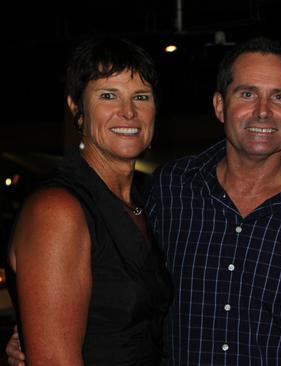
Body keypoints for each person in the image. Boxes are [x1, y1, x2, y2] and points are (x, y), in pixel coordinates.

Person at [6, 37, 281, 366]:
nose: (263, 111)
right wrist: (43, 332)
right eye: (247, 94)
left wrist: (43, 325)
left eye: (279, 96)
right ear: (220, 106)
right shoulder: (170, 188)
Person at [5, 38, 173, 365]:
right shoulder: (57, 210)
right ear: (76, 109)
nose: (128, 112)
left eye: (141, 97)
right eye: (108, 95)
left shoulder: (144, 202)